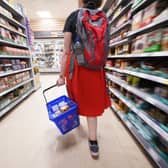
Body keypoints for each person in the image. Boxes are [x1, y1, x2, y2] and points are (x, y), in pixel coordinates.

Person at [56, 0, 110, 158]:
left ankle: (75, 123)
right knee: (92, 105)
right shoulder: (104, 18)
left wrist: (61, 76)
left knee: (75, 99)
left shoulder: (73, 17)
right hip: (96, 68)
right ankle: (93, 141)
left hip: (77, 67)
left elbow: (66, 51)